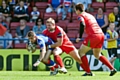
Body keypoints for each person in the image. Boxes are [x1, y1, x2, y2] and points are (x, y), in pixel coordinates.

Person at [75, 3, 117, 76]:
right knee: (97, 55)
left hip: (93, 36)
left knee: (81, 52)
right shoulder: (90, 15)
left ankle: (88, 72)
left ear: (78, 10)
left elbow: (82, 24)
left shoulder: (80, 16)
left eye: (76, 11)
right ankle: (112, 69)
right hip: (101, 35)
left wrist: (80, 37)